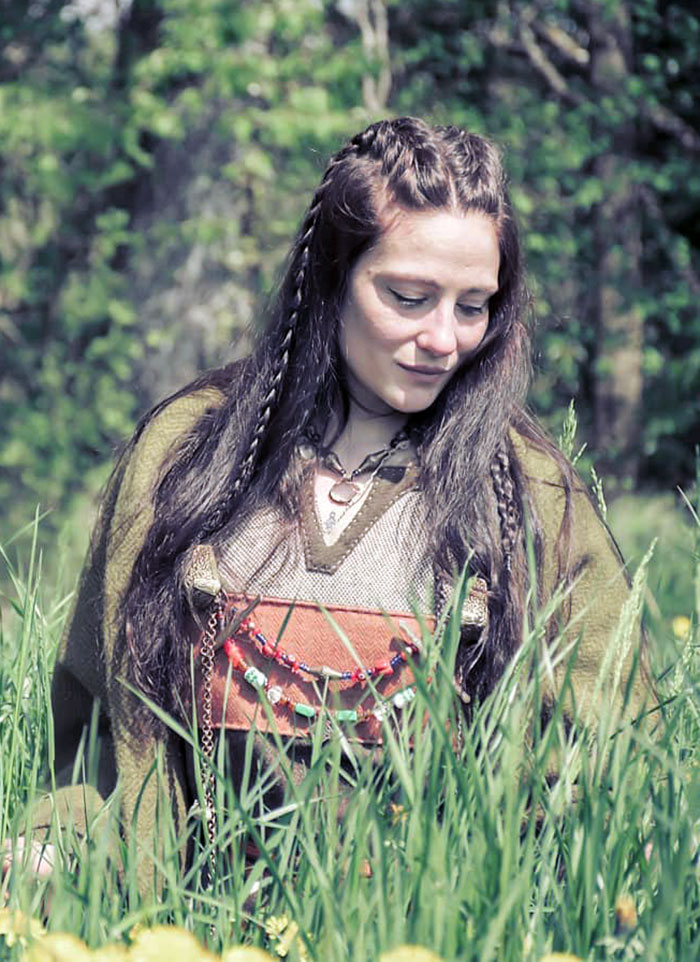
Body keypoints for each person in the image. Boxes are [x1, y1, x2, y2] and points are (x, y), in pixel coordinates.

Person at [4, 117, 649, 891]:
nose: (444, 339)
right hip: (193, 923)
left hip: (427, 928)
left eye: (473, 306)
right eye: (409, 297)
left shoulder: (528, 494)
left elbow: (610, 768)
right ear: (331, 278)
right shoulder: (188, 456)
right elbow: (101, 740)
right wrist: (54, 850)